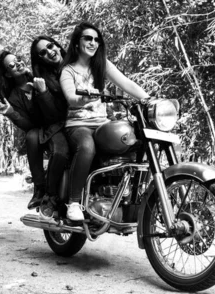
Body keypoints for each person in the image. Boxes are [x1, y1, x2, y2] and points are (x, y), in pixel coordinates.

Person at [59, 21, 150, 221]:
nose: (93, 42)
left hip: (101, 123)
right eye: (88, 38)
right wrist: (83, 98)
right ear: (77, 43)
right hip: (78, 125)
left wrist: (148, 99)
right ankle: (74, 202)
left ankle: (131, 195)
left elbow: (125, 82)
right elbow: (70, 98)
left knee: (134, 141)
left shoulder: (101, 65)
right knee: (87, 147)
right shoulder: (68, 70)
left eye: (96, 39)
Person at [0, 50, 68, 214]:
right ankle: (42, 190)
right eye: (12, 65)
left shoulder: (40, 75)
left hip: (62, 122)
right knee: (33, 135)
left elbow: (58, 103)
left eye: (18, 59)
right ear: (8, 73)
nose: (18, 63)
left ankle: (45, 190)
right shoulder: (14, 96)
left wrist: (37, 82)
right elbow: (30, 125)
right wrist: (13, 113)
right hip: (44, 130)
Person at [29, 36, 69, 217]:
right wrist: (44, 92)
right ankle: (50, 196)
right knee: (61, 152)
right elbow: (52, 115)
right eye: (43, 53)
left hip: (83, 120)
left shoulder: (77, 65)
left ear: (58, 46)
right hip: (56, 127)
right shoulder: (40, 81)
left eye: (50, 46)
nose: (49, 52)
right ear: (40, 59)